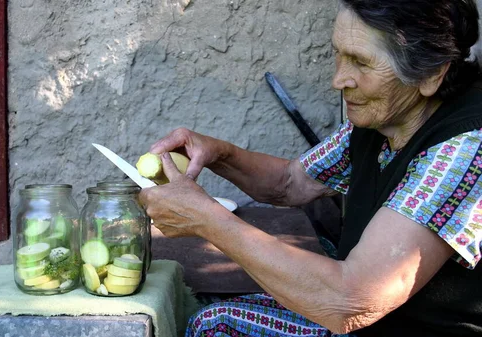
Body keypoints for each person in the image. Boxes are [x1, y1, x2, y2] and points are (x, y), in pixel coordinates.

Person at [139, 0, 482, 336]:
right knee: (213, 317)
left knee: (216, 325)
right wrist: (219, 155)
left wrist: (206, 219)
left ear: (432, 73)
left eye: (361, 62)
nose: (339, 79)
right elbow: (291, 182)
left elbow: (351, 300)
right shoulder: (385, 120)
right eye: (339, 54)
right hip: (362, 315)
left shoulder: (464, 150)